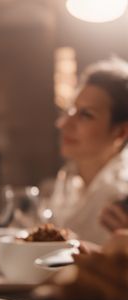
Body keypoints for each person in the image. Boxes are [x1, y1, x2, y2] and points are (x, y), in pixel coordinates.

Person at [48, 57, 128, 245]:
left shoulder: (122, 196)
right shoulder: (68, 182)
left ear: (121, 132)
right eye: (70, 111)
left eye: (86, 115)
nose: (64, 124)